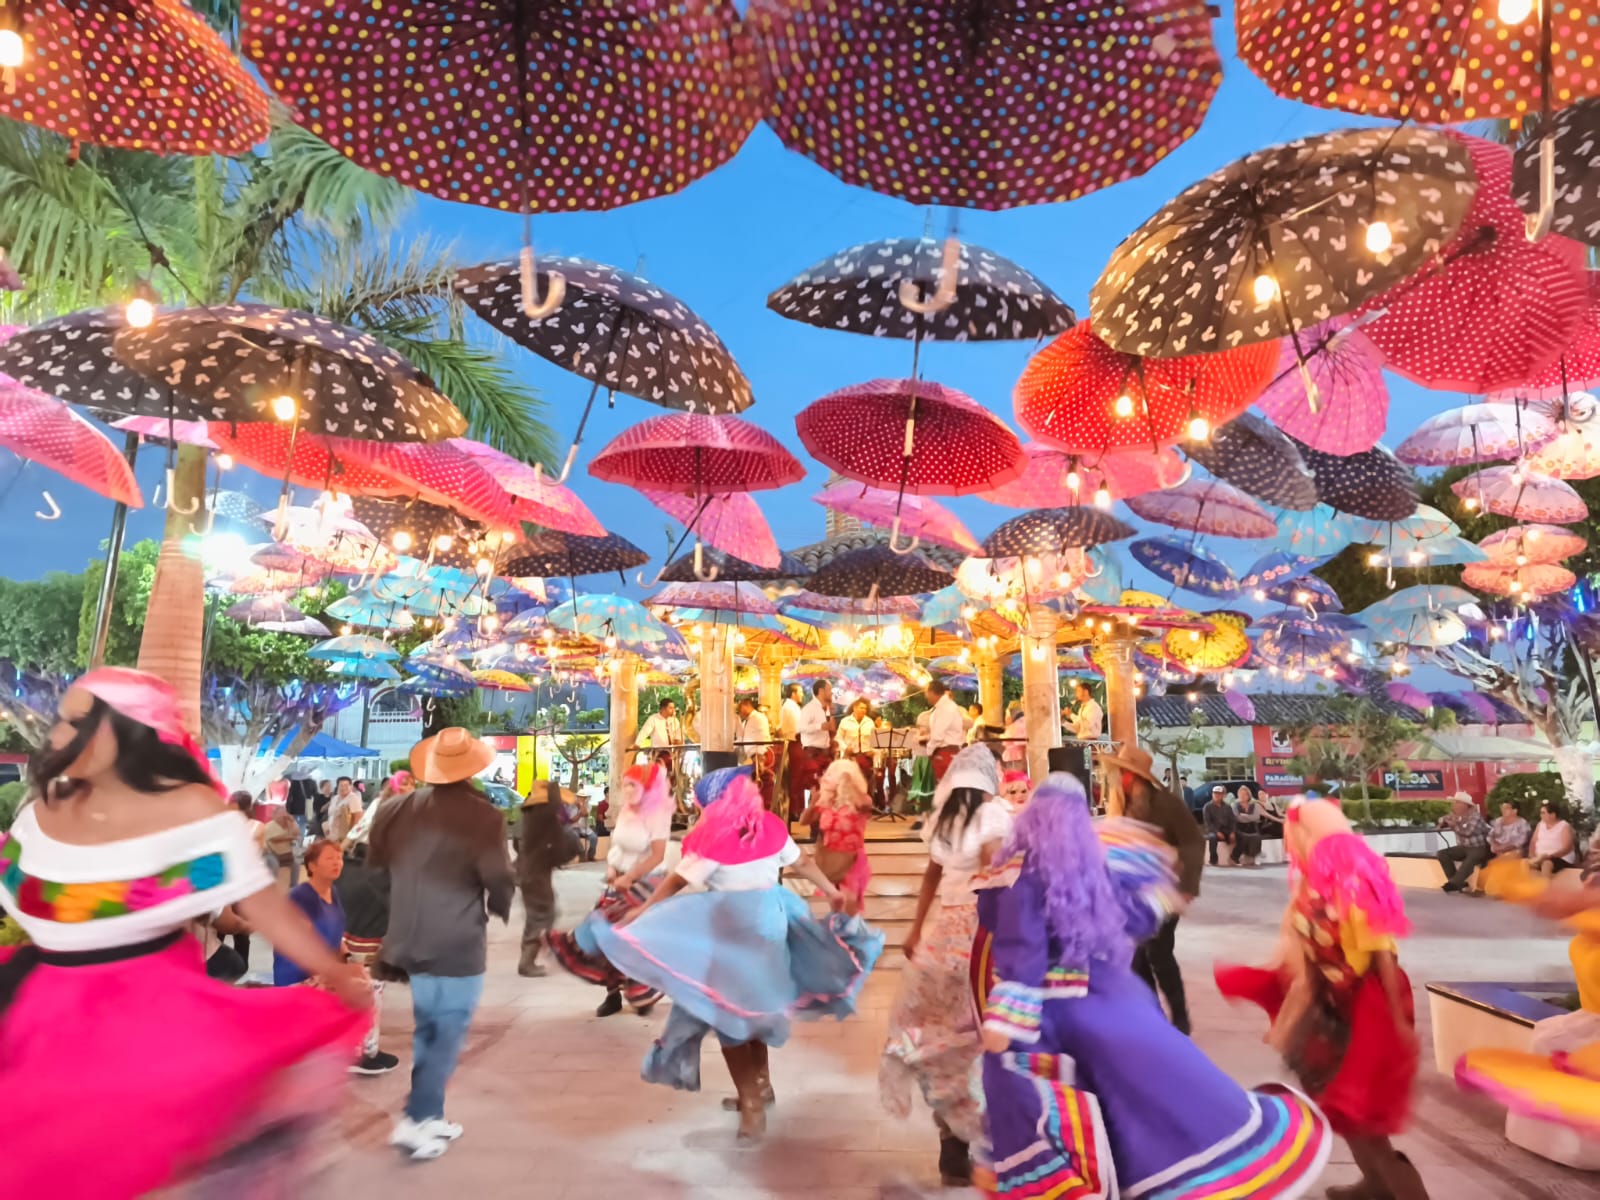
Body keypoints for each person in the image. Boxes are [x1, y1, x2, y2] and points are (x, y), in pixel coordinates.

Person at [0, 667, 370, 1197]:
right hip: (42, 1010)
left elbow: (262, 905)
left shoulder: (191, 813)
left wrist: (332, 969)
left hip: (148, 1013)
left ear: (125, 728)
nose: (57, 735)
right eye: (61, 719)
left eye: (76, 721)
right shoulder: (43, 808)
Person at [974, 773, 1332, 1198]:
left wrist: (1011, 1013)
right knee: (1151, 1092)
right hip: (1118, 1000)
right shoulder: (1093, 868)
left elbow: (1023, 946)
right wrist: (1160, 895)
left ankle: (1060, 1182)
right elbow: (1135, 919)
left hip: (1055, 1011)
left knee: (1013, 1080)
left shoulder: (1022, 875)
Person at [590, 767, 881, 1142]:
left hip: (733, 934)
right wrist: (831, 889)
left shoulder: (710, 836)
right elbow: (802, 862)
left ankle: (752, 1105)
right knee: (755, 1012)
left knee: (730, 1019)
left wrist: (643, 912)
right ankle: (761, 1086)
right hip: (771, 929)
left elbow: (677, 881)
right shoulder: (770, 824)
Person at [1216, 797, 1423, 1200]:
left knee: (1363, 1118)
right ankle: (1375, 1186)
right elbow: (1301, 961)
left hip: (1365, 1008)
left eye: (1293, 831)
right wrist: (1289, 1018)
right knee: (1342, 1109)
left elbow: (1382, 956)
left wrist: (1397, 1023)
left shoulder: (1354, 886)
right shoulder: (1311, 886)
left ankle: (1399, 1189)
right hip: (1330, 1005)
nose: (1287, 838)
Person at [369, 727, 516, 1162]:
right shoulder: (483, 816)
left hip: (407, 938)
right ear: (474, 767)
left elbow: (375, 870)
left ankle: (431, 1113)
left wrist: (400, 907)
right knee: (447, 1032)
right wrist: (500, 906)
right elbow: (498, 876)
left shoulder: (393, 810)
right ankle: (414, 1120)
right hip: (456, 940)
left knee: (428, 1027)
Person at [881, 744, 1014, 1186]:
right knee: (980, 1039)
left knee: (941, 1038)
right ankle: (992, 1142)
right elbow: (993, 872)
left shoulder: (943, 819)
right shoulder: (993, 814)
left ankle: (951, 1147)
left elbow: (932, 876)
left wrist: (917, 929)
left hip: (942, 938)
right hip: (981, 937)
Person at [548, 763, 673, 1017]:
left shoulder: (658, 814)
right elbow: (618, 847)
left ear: (647, 788)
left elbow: (658, 855)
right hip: (618, 882)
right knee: (604, 937)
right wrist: (612, 870)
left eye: (632, 785)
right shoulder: (626, 811)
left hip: (645, 884)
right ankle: (613, 993)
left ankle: (642, 993)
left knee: (636, 941)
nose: (626, 789)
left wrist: (631, 877)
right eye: (624, 784)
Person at [1100, 744, 1203, 1035]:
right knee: (1137, 960)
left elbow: (1194, 841)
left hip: (1166, 890)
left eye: (1119, 773)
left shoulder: (1166, 804)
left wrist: (1187, 886)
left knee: (1159, 954)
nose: (1115, 779)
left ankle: (1180, 1020)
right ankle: (1152, 1017)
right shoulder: (1124, 805)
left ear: (1132, 776)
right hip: (1136, 895)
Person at [514, 779, 581, 978]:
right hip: (534, 874)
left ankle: (532, 955)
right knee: (542, 914)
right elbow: (554, 805)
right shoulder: (542, 813)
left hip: (529, 871)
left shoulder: (531, 815)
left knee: (540, 913)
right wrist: (553, 786)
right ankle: (527, 961)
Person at [807, 758, 873, 914]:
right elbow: (805, 820)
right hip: (831, 860)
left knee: (849, 901)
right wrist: (813, 803)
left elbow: (866, 807)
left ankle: (848, 932)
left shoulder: (861, 801)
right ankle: (840, 932)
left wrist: (849, 782)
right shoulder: (826, 803)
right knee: (835, 903)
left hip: (852, 860)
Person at [791, 680, 835, 822]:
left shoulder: (827, 709)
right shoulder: (809, 708)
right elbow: (800, 728)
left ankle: (821, 823)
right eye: (829, 690)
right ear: (821, 691)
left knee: (826, 791)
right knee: (816, 791)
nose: (831, 693)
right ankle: (815, 826)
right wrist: (819, 726)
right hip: (812, 753)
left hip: (825, 754)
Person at [1435, 791, 1491, 893]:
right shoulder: (1456, 816)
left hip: (1479, 847)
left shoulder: (1475, 816)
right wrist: (1442, 823)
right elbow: (1442, 819)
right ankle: (1457, 882)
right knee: (1442, 854)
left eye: (1457, 802)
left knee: (1471, 859)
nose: (1454, 805)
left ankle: (1454, 884)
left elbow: (1468, 832)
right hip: (1464, 847)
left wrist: (1454, 825)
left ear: (1465, 805)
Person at [736, 695, 775, 810]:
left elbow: (762, 738)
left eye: (740, 708)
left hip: (759, 755)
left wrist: (759, 757)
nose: (739, 711)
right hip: (751, 756)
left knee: (760, 786)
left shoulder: (758, 717)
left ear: (747, 705)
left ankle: (763, 810)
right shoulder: (747, 721)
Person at [923, 680, 966, 782]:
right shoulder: (943, 707)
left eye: (926, 693)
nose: (926, 696)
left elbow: (938, 736)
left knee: (947, 792)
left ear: (932, 692)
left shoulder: (945, 708)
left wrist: (929, 750)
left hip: (947, 754)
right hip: (947, 753)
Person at [637, 697, 684, 779]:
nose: (673, 710)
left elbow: (678, 737)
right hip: (658, 754)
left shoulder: (675, 720)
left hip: (672, 755)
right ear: (663, 708)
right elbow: (644, 732)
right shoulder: (653, 719)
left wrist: (678, 744)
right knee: (659, 778)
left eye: (673, 708)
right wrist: (637, 744)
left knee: (672, 779)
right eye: (670, 708)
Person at [1528, 800, 1578, 876]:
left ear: (1553, 815)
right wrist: (1532, 856)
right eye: (1541, 813)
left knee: (1546, 864)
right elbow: (1533, 842)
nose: (1541, 815)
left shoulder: (1564, 826)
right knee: (1525, 863)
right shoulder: (1540, 825)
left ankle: (1546, 886)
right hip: (1539, 857)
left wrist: (1550, 856)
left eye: (1543, 813)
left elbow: (1567, 847)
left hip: (1559, 858)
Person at [263, 798, 302, 887]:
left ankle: (293, 886)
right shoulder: (269, 826)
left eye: (284, 812)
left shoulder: (288, 823)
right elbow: (274, 839)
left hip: (286, 855)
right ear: (274, 815)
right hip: (272, 854)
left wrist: (292, 821)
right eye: (280, 813)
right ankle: (271, 887)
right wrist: (290, 838)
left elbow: (296, 833)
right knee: (274, 864)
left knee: (296, 865)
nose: (283, 815)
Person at [1232, 784, 1268, 866]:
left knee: (1257, 836)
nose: (1242, 796)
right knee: (1243, 837)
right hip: (1239, 826)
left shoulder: (1254, 805)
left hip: (1251, 826)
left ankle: (1256, 854)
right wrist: (1249, 817)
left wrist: (1245, 816)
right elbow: (1238, 818)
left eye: (1245, 794)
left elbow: (1256, 817)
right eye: (1240, 794)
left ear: (1248, 795)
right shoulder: (1235, 805)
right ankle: (1235, 856)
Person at [1202, 784, 1237, 867]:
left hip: (1226, 829)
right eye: (1215, 793)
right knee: (1212, 837)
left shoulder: (1227, 807)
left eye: (1219, 794)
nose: (1217, 795)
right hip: (1214, 830)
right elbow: (1208, 823)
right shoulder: (1207, 807)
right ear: (1212, 794)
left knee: (1241, 836)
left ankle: (1235, 857)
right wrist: (1217, 832)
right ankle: (1213, 859)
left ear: (1222, 795)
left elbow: (1233, 820)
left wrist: (1232, 831)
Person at [327, 775, 364, 845]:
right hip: (332, 835)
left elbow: (358, 817)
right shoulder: (335, 798)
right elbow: (331, 815)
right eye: (341, 785)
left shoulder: (353, 798)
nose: (343, 788)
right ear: (337, 786)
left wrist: (351, 837)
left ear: (351, 786)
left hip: (344, 837)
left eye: (346, 785)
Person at [1001, 701, 1026, 767]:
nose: (1006, 718)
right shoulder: (1017, 724)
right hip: (1016, 757)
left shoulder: (1017, 724)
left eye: (1007, 715)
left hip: (1015, 758)